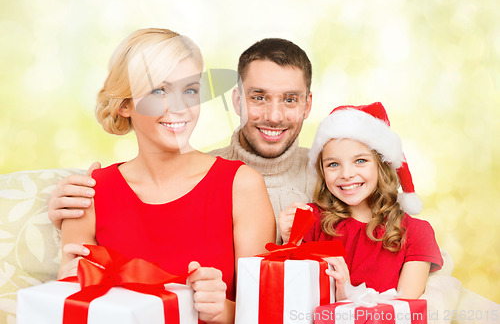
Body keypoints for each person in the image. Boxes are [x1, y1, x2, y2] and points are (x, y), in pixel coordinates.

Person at [58, 28, 275, 324]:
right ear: (125, 105)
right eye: (159, 90)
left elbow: (264, 314)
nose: (180, 107)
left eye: (190, 90)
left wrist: (220, 310)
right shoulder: (89, 194)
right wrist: (69, 284)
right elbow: (71, 307)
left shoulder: (242, 185)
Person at [49, 38, 317, 239]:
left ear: (307, 105)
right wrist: (65, 213)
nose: (274, 115)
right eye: (259, 97)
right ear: (237, 101)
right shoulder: (207, 178)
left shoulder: (338, 175)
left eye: (290, 99)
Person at [279, 102, 443, 300]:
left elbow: (403, 311)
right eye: (333, 164)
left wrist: (346, 293)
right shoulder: (311, 219)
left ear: (381, 165)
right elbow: (289, 296)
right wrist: (290, 241)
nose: (346, 174)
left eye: (360, 161)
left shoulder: (416, 233)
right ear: (322, 171)